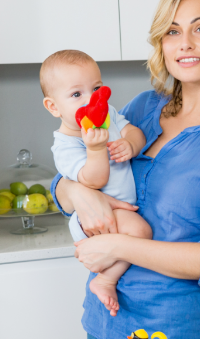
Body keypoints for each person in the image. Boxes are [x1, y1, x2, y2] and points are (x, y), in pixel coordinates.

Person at [51, 0, 200, 339]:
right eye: (173, 31)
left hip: (171, 338)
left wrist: (117, 246)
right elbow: (69, 171)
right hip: (102, 323)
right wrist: (78, 193)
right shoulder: (144, 107)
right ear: (162, 44)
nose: (185, 42)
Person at [41, 50, 151, 316]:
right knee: (142, 233)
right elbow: (93, 179)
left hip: (118, 210)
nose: (91, 100)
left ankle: (108, 274)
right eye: (76, 94)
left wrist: (130, 144)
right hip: (96, 219)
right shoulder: (65, 146)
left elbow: (134, 131)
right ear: (53, 107)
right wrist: (96, 148)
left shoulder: (108, 114)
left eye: (96, 88)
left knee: (137, 232)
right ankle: (106, 280)